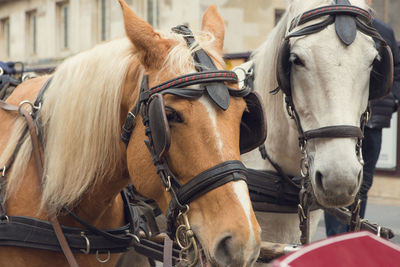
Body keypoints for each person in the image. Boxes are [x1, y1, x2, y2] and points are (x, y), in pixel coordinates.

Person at [324, 9, 400, 236]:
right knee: (335, 183)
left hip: (372, 121)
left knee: (362, 185)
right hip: (340, 122)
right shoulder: (330, 25)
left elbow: (397, 69)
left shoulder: (383, 31)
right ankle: (335, 239)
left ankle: (352, 235)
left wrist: (393, 99)